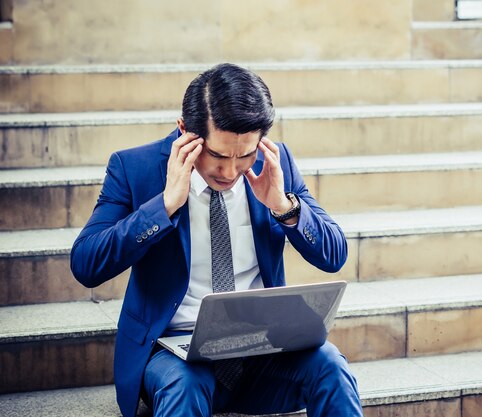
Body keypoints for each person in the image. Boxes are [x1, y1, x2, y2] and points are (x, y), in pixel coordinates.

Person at [70, 63, 363, 417]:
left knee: (330, 363)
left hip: (262, 352)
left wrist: (284, 206)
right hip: (175, 356)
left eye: (245, 155)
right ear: (185, 132)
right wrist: (163, 207)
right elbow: (86, 264)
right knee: (184, 386)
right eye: (219, 155)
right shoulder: (136, 168)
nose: (230, 171)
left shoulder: (275, 162)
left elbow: (334, 254)